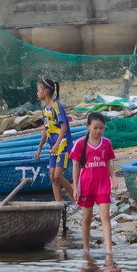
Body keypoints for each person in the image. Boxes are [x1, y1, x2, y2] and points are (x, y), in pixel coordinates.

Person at [70, 112, 118, 259]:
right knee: (87, 219)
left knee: (105, 217)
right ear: (88, 126)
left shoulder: (106, 143)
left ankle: (108, 250)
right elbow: (76, 166)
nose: (98, 131)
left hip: (103, 184)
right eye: (95, 128)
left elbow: (109, 162)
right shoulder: (80, 144)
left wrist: (114, 178)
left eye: (101, 128)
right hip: (86, 185)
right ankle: (86, 249)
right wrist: (76, 188)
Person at [35, 78, 76, 206]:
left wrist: (58, 143)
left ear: (45, 92)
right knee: (52, 177)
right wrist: (40, 148)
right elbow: (46, 129)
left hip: (62, 144)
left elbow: (63, 126)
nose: (37, 93)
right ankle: (59, 205)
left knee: (58, 175)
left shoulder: (56, 106)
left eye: (38, 90)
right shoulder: (44, 110)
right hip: (52, 146)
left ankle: (76, 200)